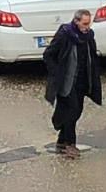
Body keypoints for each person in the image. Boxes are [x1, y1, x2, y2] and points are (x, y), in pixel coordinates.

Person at [43, 9, 102, 158]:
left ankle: (62, 140)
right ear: (76, 22)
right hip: (67, 82)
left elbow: (92, 58)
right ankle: (70, 144)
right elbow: (48, 55)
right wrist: (57, 73)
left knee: (77, 111)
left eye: (89, 23)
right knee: (72, 110)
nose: (87, 27)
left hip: (82, 82)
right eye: (84, 23)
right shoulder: (65, 35)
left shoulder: (88, 37)